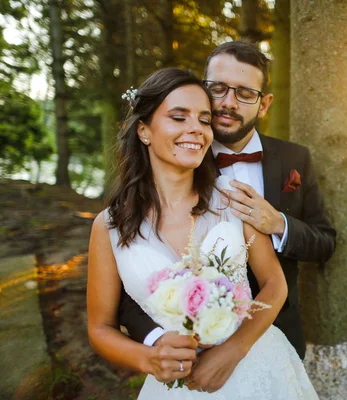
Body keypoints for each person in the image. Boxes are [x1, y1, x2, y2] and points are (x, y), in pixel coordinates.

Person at [87, 67, 319, 398]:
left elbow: (273, 285)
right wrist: (149, 358)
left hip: (259, 369)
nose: (195, 129)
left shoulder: (232, 198)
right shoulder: (109, 226)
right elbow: (99, 328)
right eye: (178, 118)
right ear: (144, 131)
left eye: (204, 119)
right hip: (177, 385)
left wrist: (235, 349)